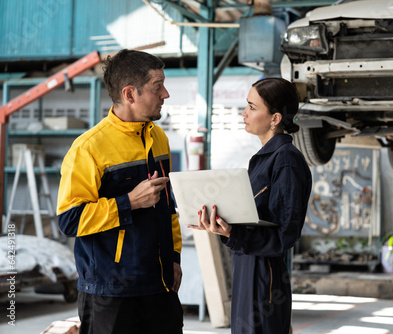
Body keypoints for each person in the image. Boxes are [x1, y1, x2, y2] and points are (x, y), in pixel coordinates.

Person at [57, 49, 183, 333]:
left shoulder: (158, 137)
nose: (165, 94)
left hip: (160, 286)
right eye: (157, 87)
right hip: (110, 292)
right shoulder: (88, 148)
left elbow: (168, 207)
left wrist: (173, 258)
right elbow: (70, 220)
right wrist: (128, 203)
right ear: (130, 94)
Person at [189, 77, 312, 334]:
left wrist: (234, 233)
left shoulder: (286, 161)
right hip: (247, 265)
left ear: (275, 118)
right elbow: (252, 219)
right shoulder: (263, 159)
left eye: (252, 107)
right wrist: (222, 225)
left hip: (264, 274)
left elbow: (285, 235)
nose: (244, 113)